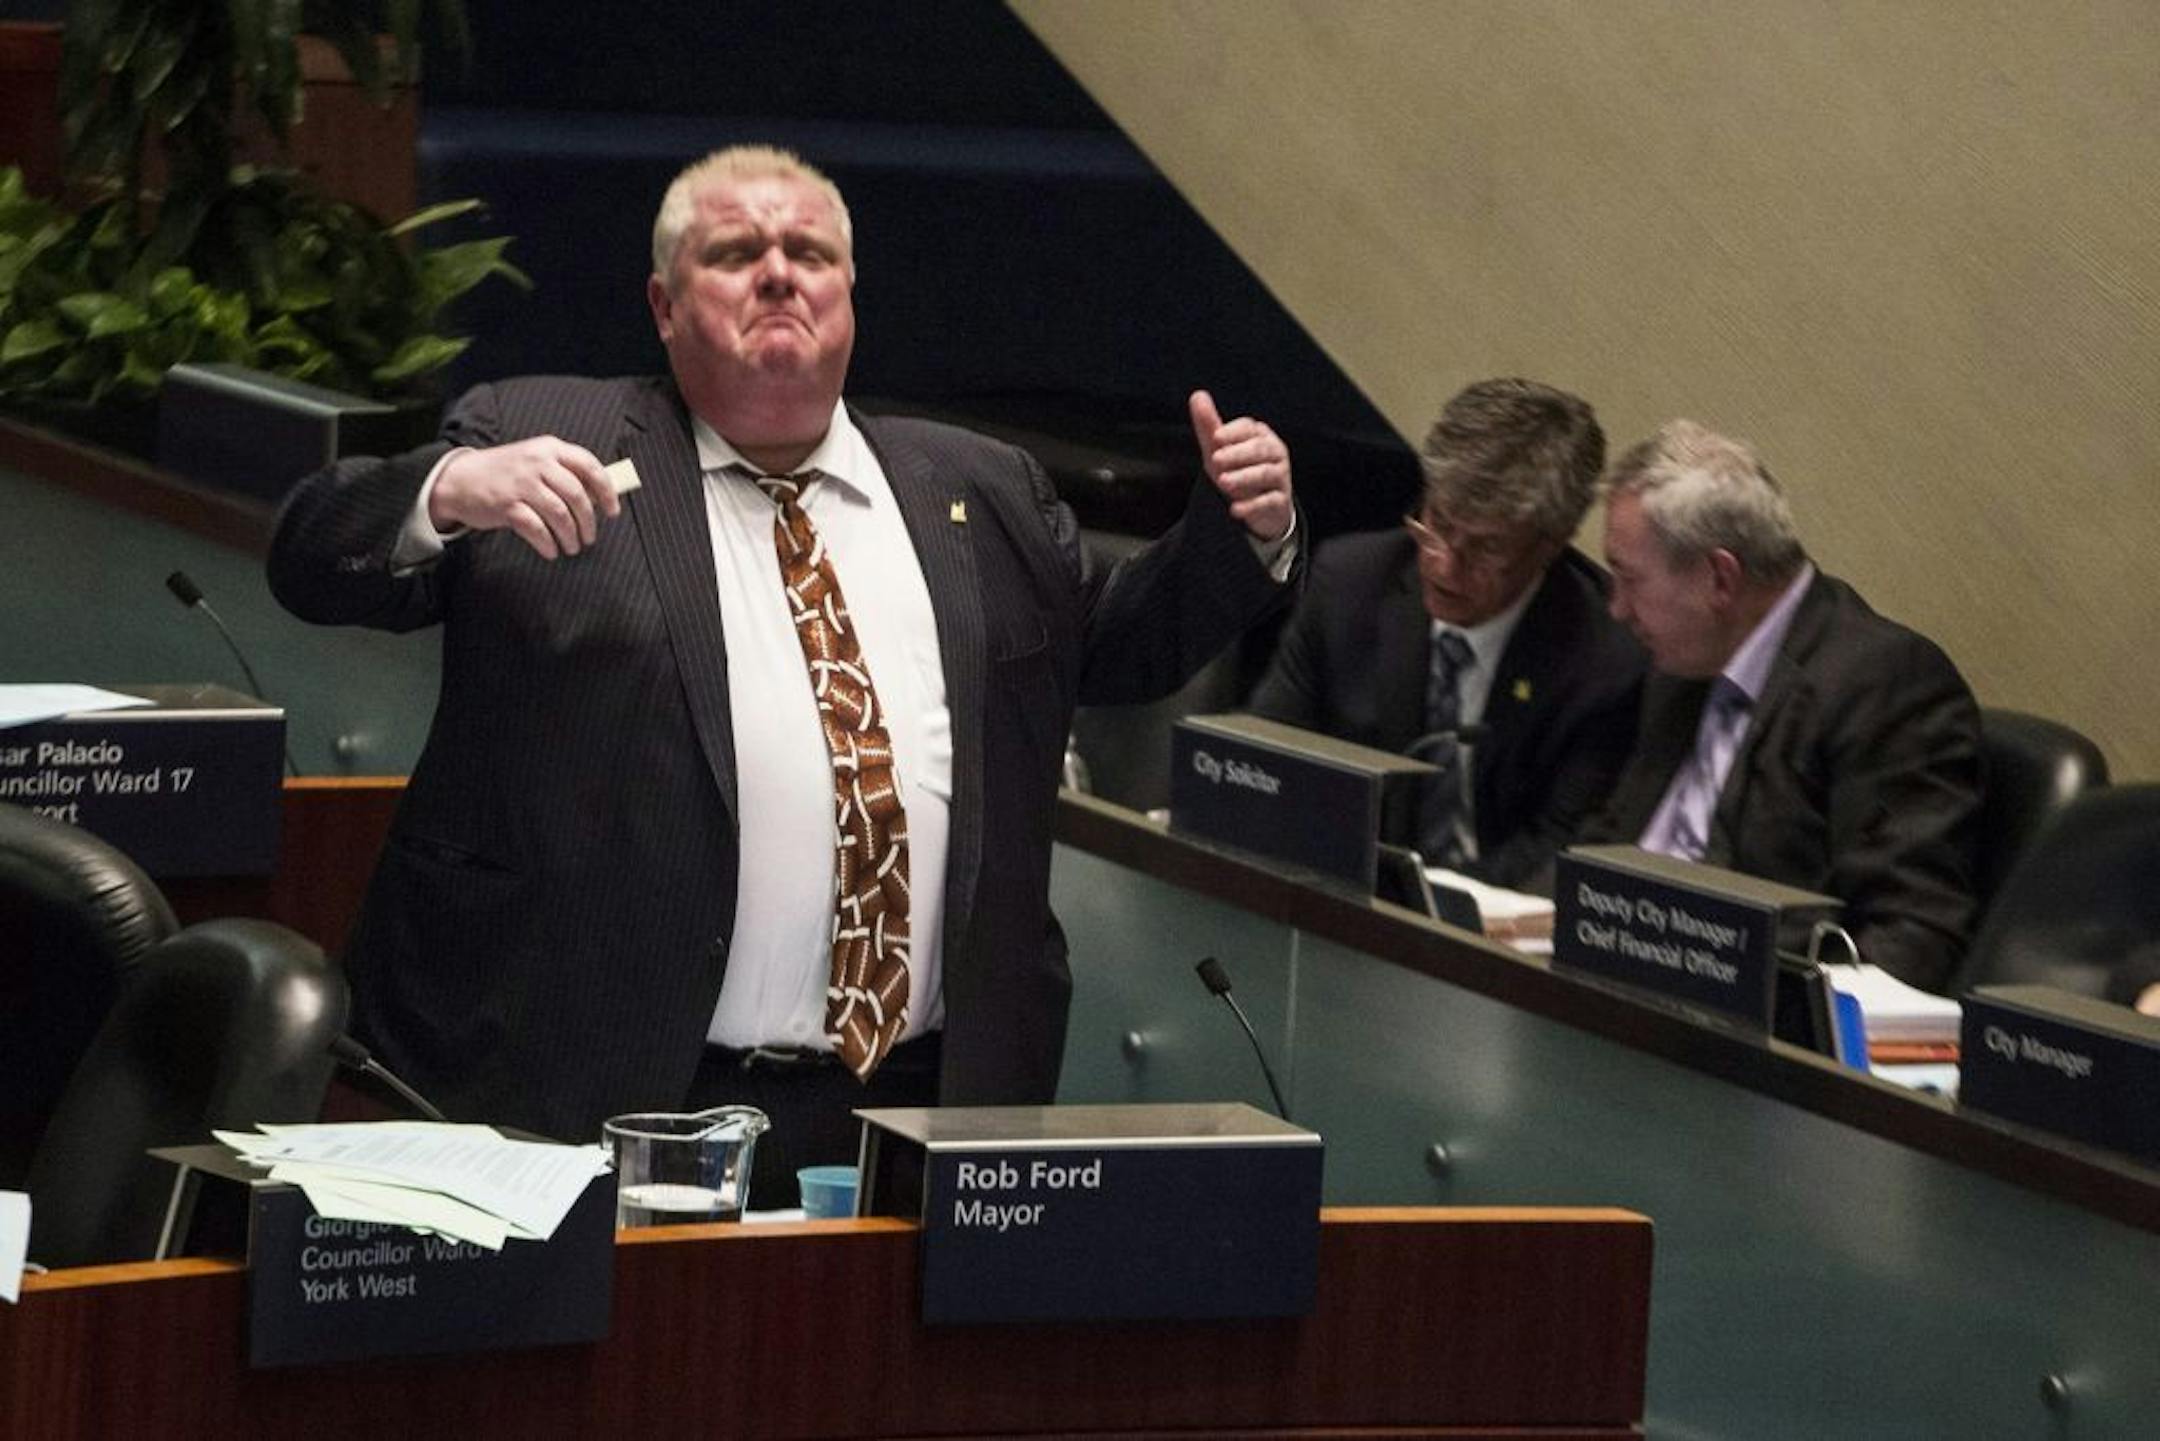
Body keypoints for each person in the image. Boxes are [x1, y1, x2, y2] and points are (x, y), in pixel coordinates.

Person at [266, 145, 1299, 1206]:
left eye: (808, 251)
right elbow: (309, 558)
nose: (778, 272)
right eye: (735, 252)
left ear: (849, 294)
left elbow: (1116, 645)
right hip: (596, 1088)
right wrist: (447, 488)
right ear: (664, 307)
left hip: (914, 1105)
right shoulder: (542, 437)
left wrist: (1236, 535)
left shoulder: (980, 487)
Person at [1582, 419, 1982, 992]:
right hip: (1614, 984)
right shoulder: (1682, 663)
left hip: (1739, 1023)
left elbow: (1912, 934)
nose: (1616, 609)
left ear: (1719, 578)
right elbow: (1612, 842)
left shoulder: (1882, 685)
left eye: (1629, 580)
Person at [1247, 378, 1644, 889]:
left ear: (1551, 544)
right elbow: (1260, 762)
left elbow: (1562, 852)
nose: (1443, 566)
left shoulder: (1605, 660)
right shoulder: (1350, 585)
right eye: (1437, 522)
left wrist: (1430, 908)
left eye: (1485, 549)